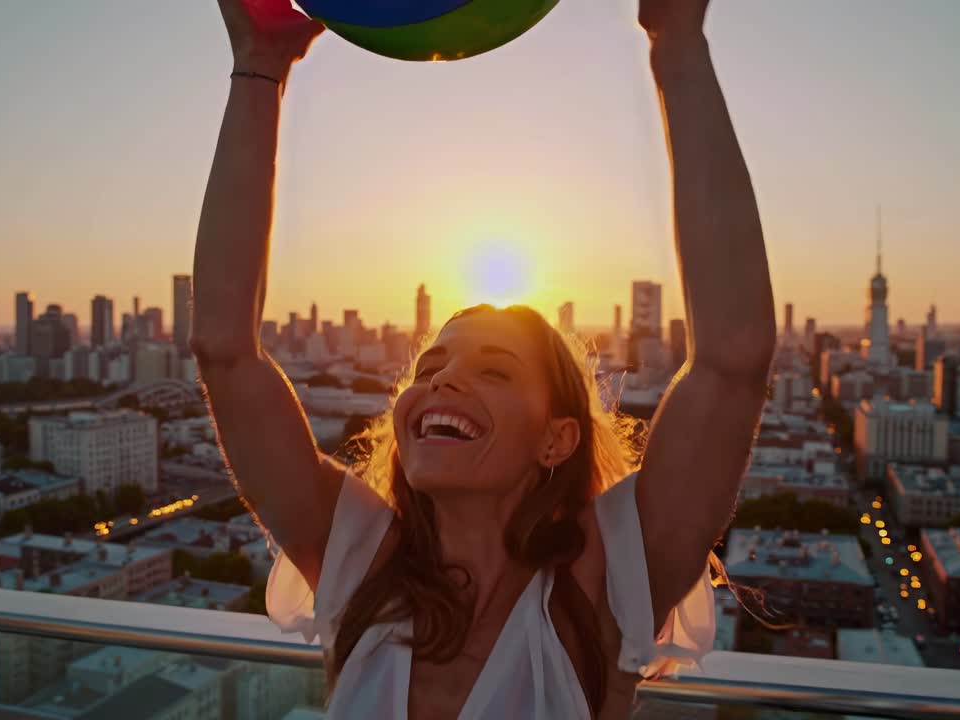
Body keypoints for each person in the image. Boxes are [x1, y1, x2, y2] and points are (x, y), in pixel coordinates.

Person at [191, 0, 775, 717]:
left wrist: (676, 36)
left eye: (493, 370)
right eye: (429, 368)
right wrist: (260, 64)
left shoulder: (606, 583)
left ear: (558, 436)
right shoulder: (361, 561)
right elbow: (225, 352)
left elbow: (733, 360)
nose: (445, 382)